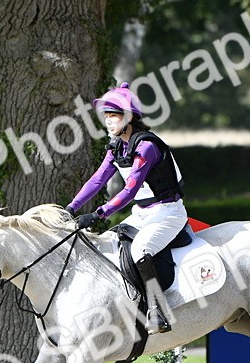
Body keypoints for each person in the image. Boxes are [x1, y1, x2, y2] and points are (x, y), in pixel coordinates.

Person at [65, 83, 187, 334]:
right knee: (113, 243)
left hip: (168, 212)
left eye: (114, 116)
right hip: (143, 214)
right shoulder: (117, 147)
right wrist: (71, 208)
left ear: (129, 117)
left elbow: (129, 190)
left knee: (141, 249)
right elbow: (97, 180)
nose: (109, 122)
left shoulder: (146, 147)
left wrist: (98, 213)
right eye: (107, 117)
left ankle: (157, 310)